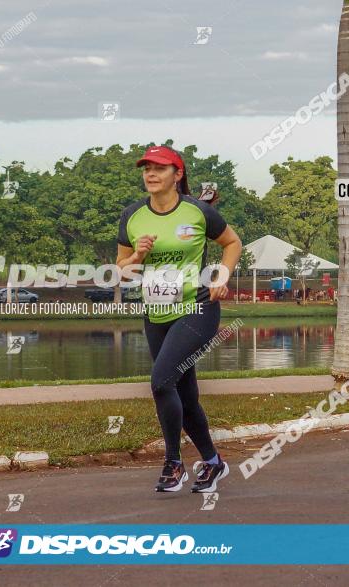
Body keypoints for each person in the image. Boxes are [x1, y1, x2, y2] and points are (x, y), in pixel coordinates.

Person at [116, 145, 242, 493]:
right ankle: (213, 462)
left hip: (197, 308)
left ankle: (174, 463)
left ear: (177, 174)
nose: (150, 174)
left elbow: (232, 243)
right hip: (156, 312)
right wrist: (138, 254)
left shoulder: (198, 212)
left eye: (159, 168)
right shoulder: (132, 215)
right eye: (146, 168)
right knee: (183, 393)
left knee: (160, 381)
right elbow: (122, 271)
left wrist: (222, 275)